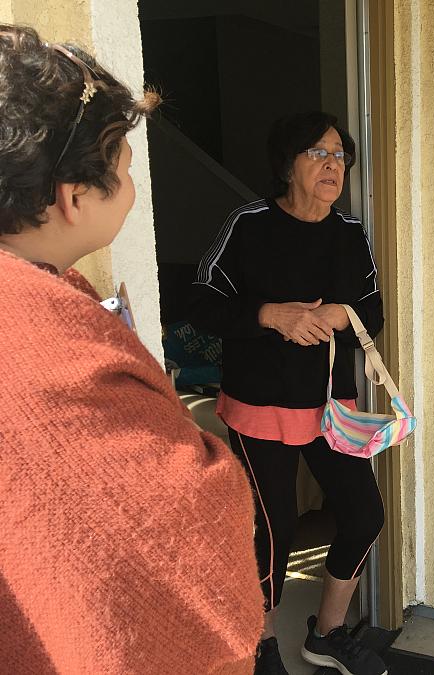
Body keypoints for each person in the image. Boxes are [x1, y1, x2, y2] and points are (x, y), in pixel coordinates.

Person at [0, 25, 263, 674]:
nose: (132, 185)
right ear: (75, 195)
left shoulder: (49, 300)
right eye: (123, 169)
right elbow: (177, 529)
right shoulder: (42, 348)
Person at [190, 111, 387, 675]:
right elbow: (201, 302)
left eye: (339, 156)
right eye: (318, 154)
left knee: (363, 514)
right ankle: (260, 640)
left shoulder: (350, 234)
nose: (333, 165)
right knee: (274, 527)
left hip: (331, 406)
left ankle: (325, 635)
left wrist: (339, 313)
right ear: (288, 165)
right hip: (261, 404)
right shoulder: (248, 224)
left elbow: (372, 311)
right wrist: (268, 314)